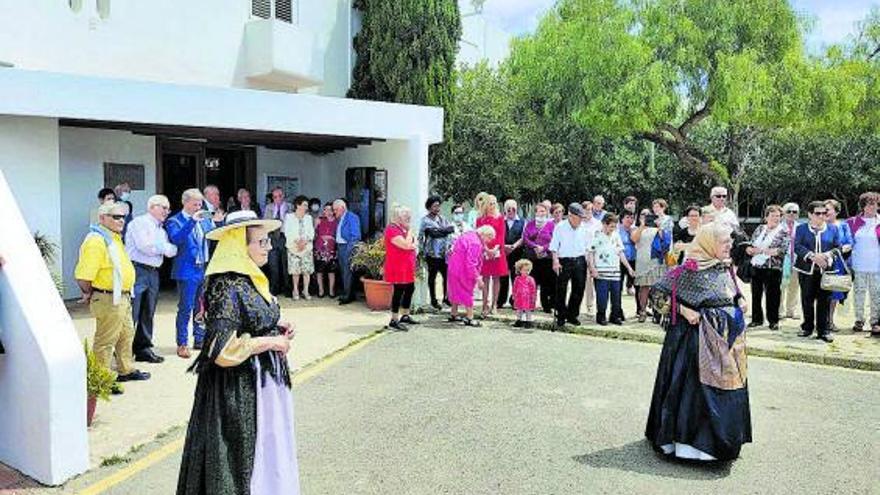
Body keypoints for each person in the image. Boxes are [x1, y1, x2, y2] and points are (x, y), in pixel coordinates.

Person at [177, 210, 300, 494]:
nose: (268, 247)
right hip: (238, 389)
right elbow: (221, 349)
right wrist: (271, 343)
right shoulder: (227, 284)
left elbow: (250, 317)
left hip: (262, 385)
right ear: (237, 245)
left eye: (268, 241)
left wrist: (275, 324)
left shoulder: (249, 278)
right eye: (261, 242)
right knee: (240, 459)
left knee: (267, 452)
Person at [646, 222, 751, 462]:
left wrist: (740, 299)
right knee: (695, 394)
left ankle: (722, 444)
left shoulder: (724, 268)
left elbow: (730, 291)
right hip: (694, 341)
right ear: (709, 243)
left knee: (727, 388)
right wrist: (682, 310)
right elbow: (657, 294)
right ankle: (691, 446)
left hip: (725, 342)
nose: (730, 245)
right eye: (725, 242)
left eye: (730, 241)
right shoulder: (687, 270)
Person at [75, 202, 150, 386]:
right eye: (115, 216)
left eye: (123, 217)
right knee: (105, 340)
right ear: (102, 218)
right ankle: (103, 380)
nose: (121, 220)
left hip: (121, 297)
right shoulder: (96, 240)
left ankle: (125, 369)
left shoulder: (112, 237)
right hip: (108, 297)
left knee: (126, 335)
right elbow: (84, 275)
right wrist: (88, 292)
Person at [125, 195, 178, 363]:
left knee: (148, 311)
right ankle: (124, 350)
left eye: (168, 209)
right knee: (132, 311)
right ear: (152, 207)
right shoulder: (140, 223)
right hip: (138, 269)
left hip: (153, 271)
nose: (166, 212)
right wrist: (163, 248)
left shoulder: (160, 229)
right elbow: (145, 246)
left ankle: (143, 348)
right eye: (164, 208)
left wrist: (162, 248)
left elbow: (172, 250)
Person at [166, 188, 216, 358]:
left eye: (200, 203)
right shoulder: (175, 220)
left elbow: (213, 234)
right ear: (185, 202)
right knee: (185, 308)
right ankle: (182, 343)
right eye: (195, 203)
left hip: (202, 267)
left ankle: (199, 339)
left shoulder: (203, 218)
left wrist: (218, 221)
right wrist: (192, 222)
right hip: (186, 270)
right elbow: (176, 239)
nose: (198, 206)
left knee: (201, 307)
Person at [794, 201, 841, 343]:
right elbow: (797, 246)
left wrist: (826, 256)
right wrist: (813, 257)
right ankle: (807, 327)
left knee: (825, 301)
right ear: (809, 214)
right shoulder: (801, 228)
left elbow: (837, 247)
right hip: (806, 270)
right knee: (807, 299)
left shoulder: (833, 229)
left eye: (824, 213)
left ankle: (823, 330)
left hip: (826, 271)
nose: (821, 216)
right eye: (818, 213)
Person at [746, 205, 789, 331]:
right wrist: (750, 249)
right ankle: (756, 319)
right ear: (766, 217)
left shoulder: (783, 231)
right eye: (773, 216)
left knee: (773, 296)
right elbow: (751, 243)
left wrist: (763, 251)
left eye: (778, 216)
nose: (776, 218)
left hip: (773, 268)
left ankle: (773, 321)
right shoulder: (760, 229)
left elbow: (782, 250)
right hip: (757, 266)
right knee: (756, 294)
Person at [589, 213, 635, 326]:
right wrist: (592, 268)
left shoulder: (616, 235)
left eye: (614, 226)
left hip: (615, 271)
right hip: (601, 272)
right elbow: (590, 252)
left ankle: (615, 316)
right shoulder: (596, 235)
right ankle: (601, 315)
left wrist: (629, 268)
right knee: (602, 296)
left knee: (616, 296)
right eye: (611, 226)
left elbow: (620, 253)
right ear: (604, 224)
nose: (613, 229)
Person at [550, 203, 590, 328]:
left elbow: (588, 248)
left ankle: (572, 315)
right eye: (579, 217)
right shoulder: (560, 227)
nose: (581, 220)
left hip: (580, 260)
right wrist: (555, 261)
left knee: (579, 288)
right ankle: (561, 315)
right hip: (564, 260)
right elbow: (554, 247)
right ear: (571, 216)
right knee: (561, 289)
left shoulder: (584, 228)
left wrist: (589, 263)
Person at [446, 225, 496, 327]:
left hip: (454, 267)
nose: (489, 241)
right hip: (463, 271)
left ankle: (454, 313)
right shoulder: (476, 243)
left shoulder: (469, 235)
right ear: (485, 234)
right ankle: (470, 317)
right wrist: (478, 278)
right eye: (489, 238)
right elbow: (471, 263)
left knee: (455, 290)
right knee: (467, 291)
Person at [847, 192, 880, 336]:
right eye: (870, 204)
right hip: (859, 266)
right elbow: (845, 242)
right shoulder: (852, 222)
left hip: (877, 266)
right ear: (863, 206)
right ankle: (859, 320)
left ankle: (875, 322)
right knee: (859, 294)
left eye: (876, 204)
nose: (874, 207)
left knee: (876, 295)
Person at [384, 205, 420, 331]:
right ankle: (394, 319)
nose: (409, 218)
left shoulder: (402, 229)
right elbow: (407, 245)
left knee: (410, 288)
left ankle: (405, 314)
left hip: (407, 265)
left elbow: (414, 244)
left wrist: (412, 243)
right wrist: (410, 233)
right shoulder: (392, 229)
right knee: (399, 290)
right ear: (398, 217)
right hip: (397, 266)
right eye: (406, 215)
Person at [632, 209, 668, 323]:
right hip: (643, 261)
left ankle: (657, 313)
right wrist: (642, 225)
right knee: (644, 287)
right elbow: (634, 239)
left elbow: (664, 240)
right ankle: (642, 311)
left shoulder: (657, 229)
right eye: (643, 214)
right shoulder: (636, 228)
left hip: (656, 261)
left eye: (649, 215)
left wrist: (659, 226)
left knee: (658, 288)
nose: (646, 217)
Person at [419, 195, 454, 310]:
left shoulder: (443, 218)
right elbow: (432, 234)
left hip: (444, 253)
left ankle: (446, 297)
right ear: (429, 207)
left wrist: (440, 231)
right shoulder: (425, 220)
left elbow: (451, 229)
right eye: (435, 206)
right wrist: (442, 231)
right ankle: (433, 300)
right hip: (431, 253)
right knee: (432, 277)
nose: (437, 208)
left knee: (446, 276)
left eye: (438, 206)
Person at [476, 195, 507, 318]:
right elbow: (478, 235)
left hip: (497, 251)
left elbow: (501, 235)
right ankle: (484, 305)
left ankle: (494, 305)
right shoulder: (480, 219)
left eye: (494, 203)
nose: (493, 205)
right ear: (486, 204)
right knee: (485, 279)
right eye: (490, 203)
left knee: (496, 278)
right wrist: (486, 249)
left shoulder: (500, 218)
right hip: (484, 251)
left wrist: (495, 248)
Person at [824, 199, 853, 331]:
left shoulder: (843, 226)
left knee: (833, 294)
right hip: (821, 263)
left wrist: (840, 249)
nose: (825, 212)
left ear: (836, 211)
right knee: (819, 293)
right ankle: (818, 321)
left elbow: (850, 243)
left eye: (828, 209)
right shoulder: (819, 225)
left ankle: (830, 321)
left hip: (837, 264)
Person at [522, 202, 556, 313]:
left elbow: (554, 240)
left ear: (546, 212)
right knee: (532, 282)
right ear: (535, 212)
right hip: (533, 257)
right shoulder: (530, 224)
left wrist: (544, 248)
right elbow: (526, 238)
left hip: (546, 258)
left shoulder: (551, 225)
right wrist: (535, 246)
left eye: (543, 211)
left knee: (546, 283)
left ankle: (546, 306)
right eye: (538, 211)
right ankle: (530, 305)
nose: (540, 213)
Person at [284, 195, 315, 301]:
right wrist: (298, 241)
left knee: (306, 271)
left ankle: (305, 290)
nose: (306, 207)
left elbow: (311, 232)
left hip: (306, 247)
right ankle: (295, 290)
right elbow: (287, 232)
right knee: (295, 271)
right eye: (304, 205)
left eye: (307, 205)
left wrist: (305, 241)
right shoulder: (289, 217)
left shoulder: (308, 218)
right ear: (298, 205)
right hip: (294, 247)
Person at [263, 187, 291, 296]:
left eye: (279, 196)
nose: (277, 199)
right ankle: (275, 287)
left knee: (286, 264)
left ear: (283, 195)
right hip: (273, 236)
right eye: (275, 197)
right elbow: (265, 222)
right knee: (273, 264)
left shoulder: (290, 207)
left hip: (285, 237)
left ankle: (287, 288)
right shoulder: (269, 207)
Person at [497, 199, 525, 309]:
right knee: (502, 278)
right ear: (505, 210)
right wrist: (504, 246)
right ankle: (500, 300)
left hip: (517, 252)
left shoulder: (522, 221)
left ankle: (515, 301)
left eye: (513, 209)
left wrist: (513, 246)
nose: (511, 211)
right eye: (508, 209)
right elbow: (497, 235)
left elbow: (523, 237)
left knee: (516, 278)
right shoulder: (500, 221)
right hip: (503, 253)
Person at [333, 198, 362, 304]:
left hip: (347, 247)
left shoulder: (352, 217)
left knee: (347, 272)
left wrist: (350, 249)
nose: (334, 212)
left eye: (336, 209)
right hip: (341, 247)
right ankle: (347, 293)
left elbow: (355, 236)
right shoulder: (340, 218)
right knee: (343, 271)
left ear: (342, 208)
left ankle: (348, 296)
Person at [780, 202, 802, 320]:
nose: (792, 214)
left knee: (794, 286)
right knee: (781, 286)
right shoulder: (779, 227)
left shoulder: (801, 227)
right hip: (783, 260)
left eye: (795, 212)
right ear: (783, 213)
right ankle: (780, 310)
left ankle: (791, 310)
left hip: (797, 261)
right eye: (789, 211)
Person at [314, 202, 338, 298]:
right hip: (320, 248)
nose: (326, 212)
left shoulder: (337, 221)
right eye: (325, 209)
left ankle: (331, 290)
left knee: (331, 271)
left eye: (329, 210)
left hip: (332, 249)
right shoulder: (319, 220)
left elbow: (338, 236)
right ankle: (321, 290)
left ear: (333, 211)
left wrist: (331, 238)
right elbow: (314, 234)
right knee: (319, 271)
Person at [512, 259, 537, 328]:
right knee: (519, 309)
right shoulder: (517, 279)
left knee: (528, 310)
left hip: (527, 297)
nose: (526, 272)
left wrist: (533, 297)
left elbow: (533, 289)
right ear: (520, 270)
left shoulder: (531, 279)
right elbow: (514, 287)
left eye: (528, 270)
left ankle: (528, 321)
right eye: (524, 270)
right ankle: (518, 320)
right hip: (519, 297)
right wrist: (514, 295)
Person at [618, 210, 637, 295]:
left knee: (632, 279)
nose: (630, 220)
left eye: (632, 218)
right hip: (620, 259)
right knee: (619, 283)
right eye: (627, 217)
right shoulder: (617, 230)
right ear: (622, 219)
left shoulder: (635, 229)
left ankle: (629, 287)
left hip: (633, 259)